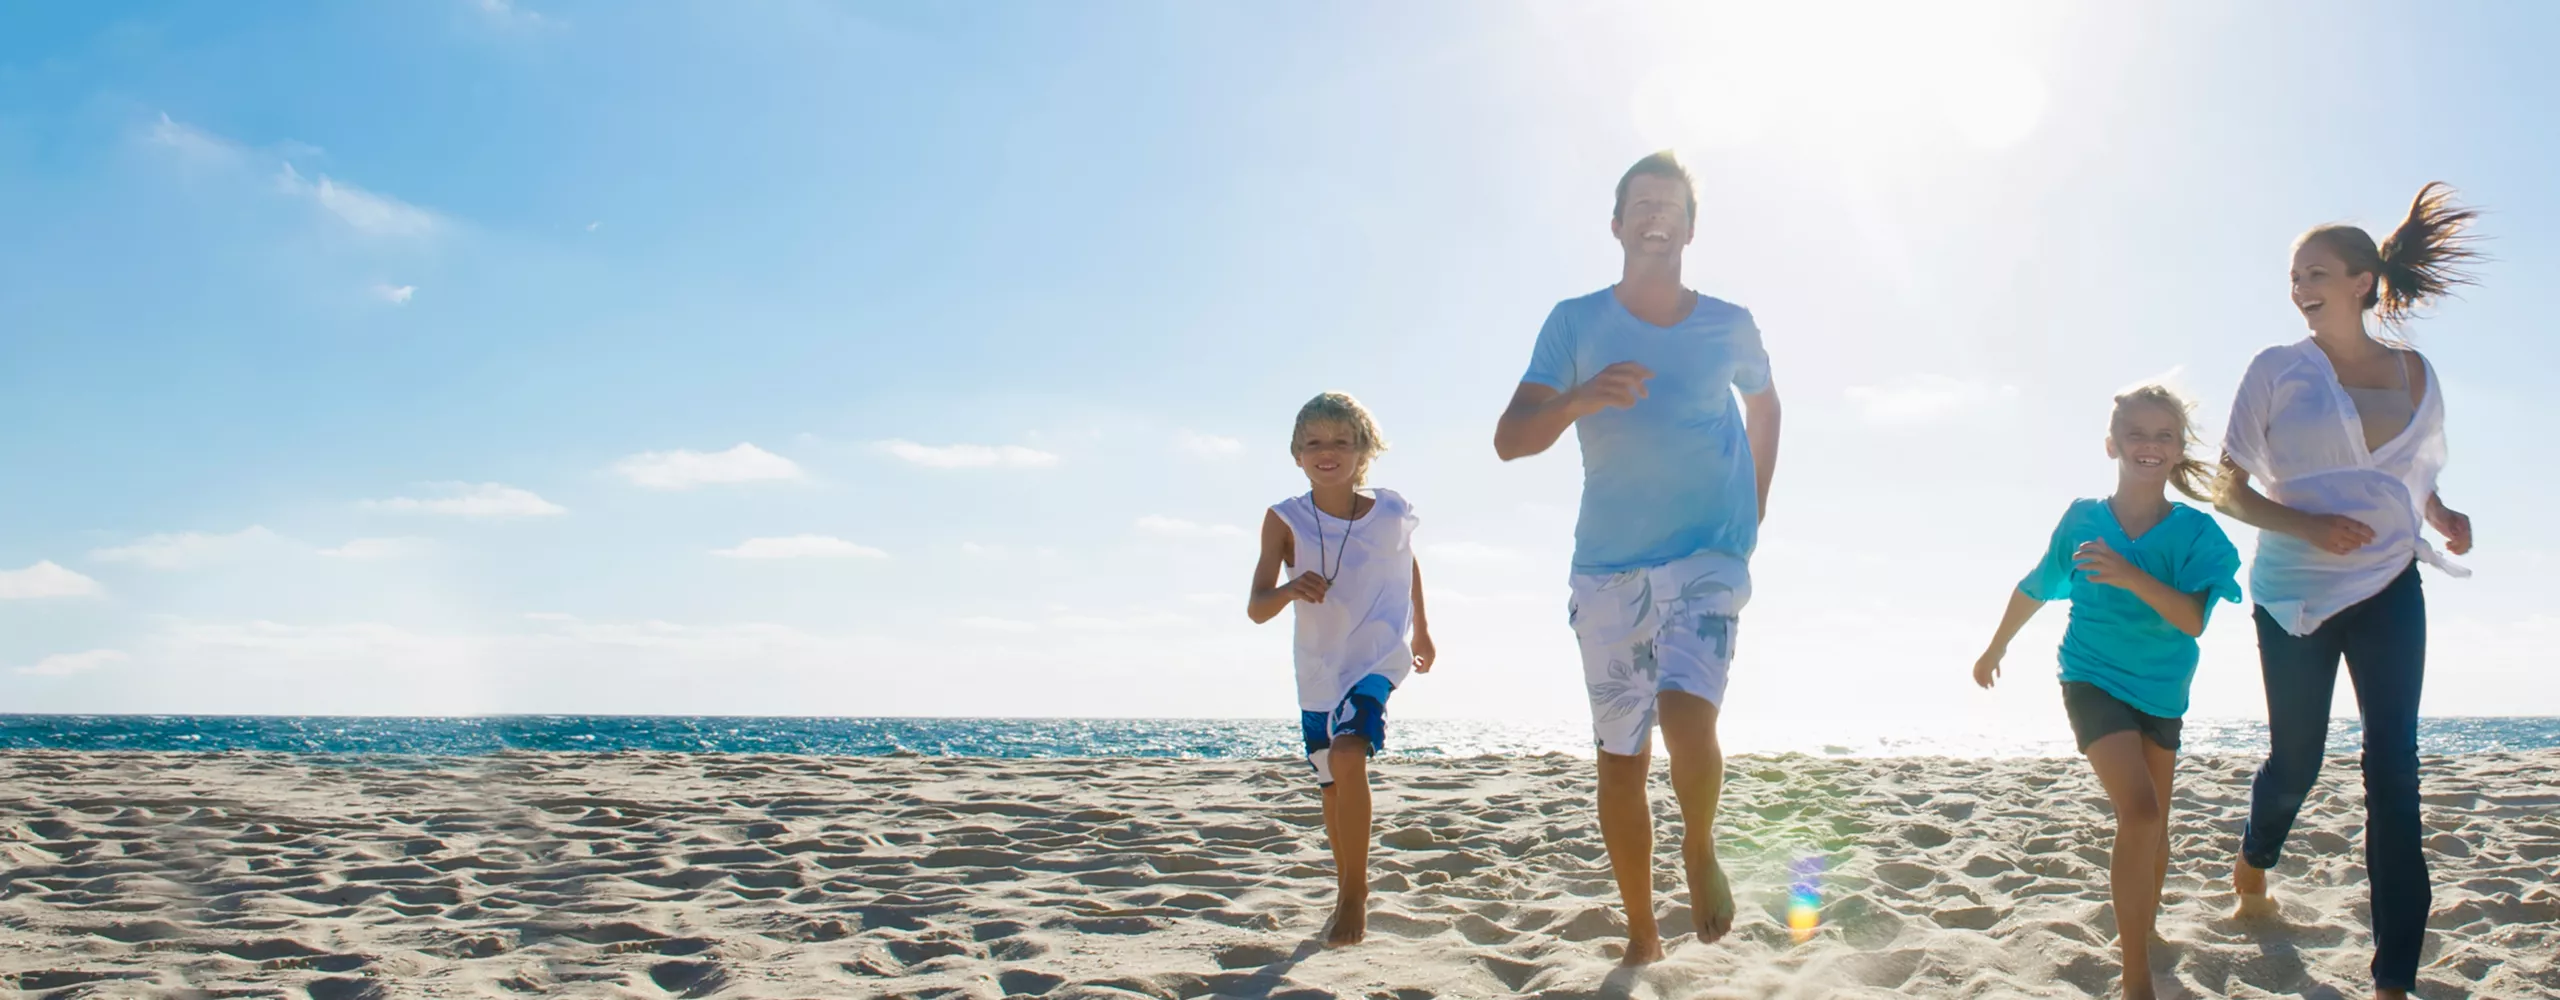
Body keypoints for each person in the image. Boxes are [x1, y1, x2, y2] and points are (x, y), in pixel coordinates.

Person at [1492, 151, 1781, 965]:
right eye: (1641, 203)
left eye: (1672, 204)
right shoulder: (1574, 322)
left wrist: (1754, 505)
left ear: (1692, 226)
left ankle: (1697, 843)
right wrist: (1580, 398)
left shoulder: (1729, 322)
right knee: (1621, 759)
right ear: (1616, 223)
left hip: (1708, 554)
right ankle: (1643, 933)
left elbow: (1766, 404)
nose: (1657, 214)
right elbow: (1510, 440)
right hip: (1609, 567)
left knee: (1690, 711)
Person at [2218, 183, 2481, 1000]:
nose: (2300, 288)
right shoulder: (2276, 370)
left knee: (2392, 771)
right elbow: (2228, 490)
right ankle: (2255, 858)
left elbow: (2415, 471)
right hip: (2294, 594)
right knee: (2296, 761)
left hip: (2389, 584)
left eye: (2316, 273)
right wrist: (2309, 528)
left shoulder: (2413, 372)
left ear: (2364, 281)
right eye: (2294, 275)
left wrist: (2441, 513)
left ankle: (2393, 978)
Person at [1972, 384, 2242, 1000]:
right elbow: (2038, 585)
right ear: (2112, 444)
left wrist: (2127, 573)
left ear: (2178, 451)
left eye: (2163, 435)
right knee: (2139, 812)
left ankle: (2143, 929)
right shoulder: (2083, 519)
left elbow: (2192, 619)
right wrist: (1996, 647)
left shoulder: (2197, 533)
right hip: (2090, 676)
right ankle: (2135, 976)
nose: (2149, 445)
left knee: (2157, 824)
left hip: (2162, 690)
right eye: (2137, 434)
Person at [1246, 391, 1436, 948]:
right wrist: (1289, 589)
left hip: (1376, 658)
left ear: (1364, 451)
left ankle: (1356, 894)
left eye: (1341, 441)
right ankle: (1344, 883)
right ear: (1297, 454)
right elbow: (1257, 607)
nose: (1327, 452)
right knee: (1333, 786)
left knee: (1351, 753)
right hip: (1319, 668)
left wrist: (1421, 628)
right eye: (1314, 443)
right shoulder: (1284, 519)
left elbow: (1407, 563)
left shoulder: (1393, 510)